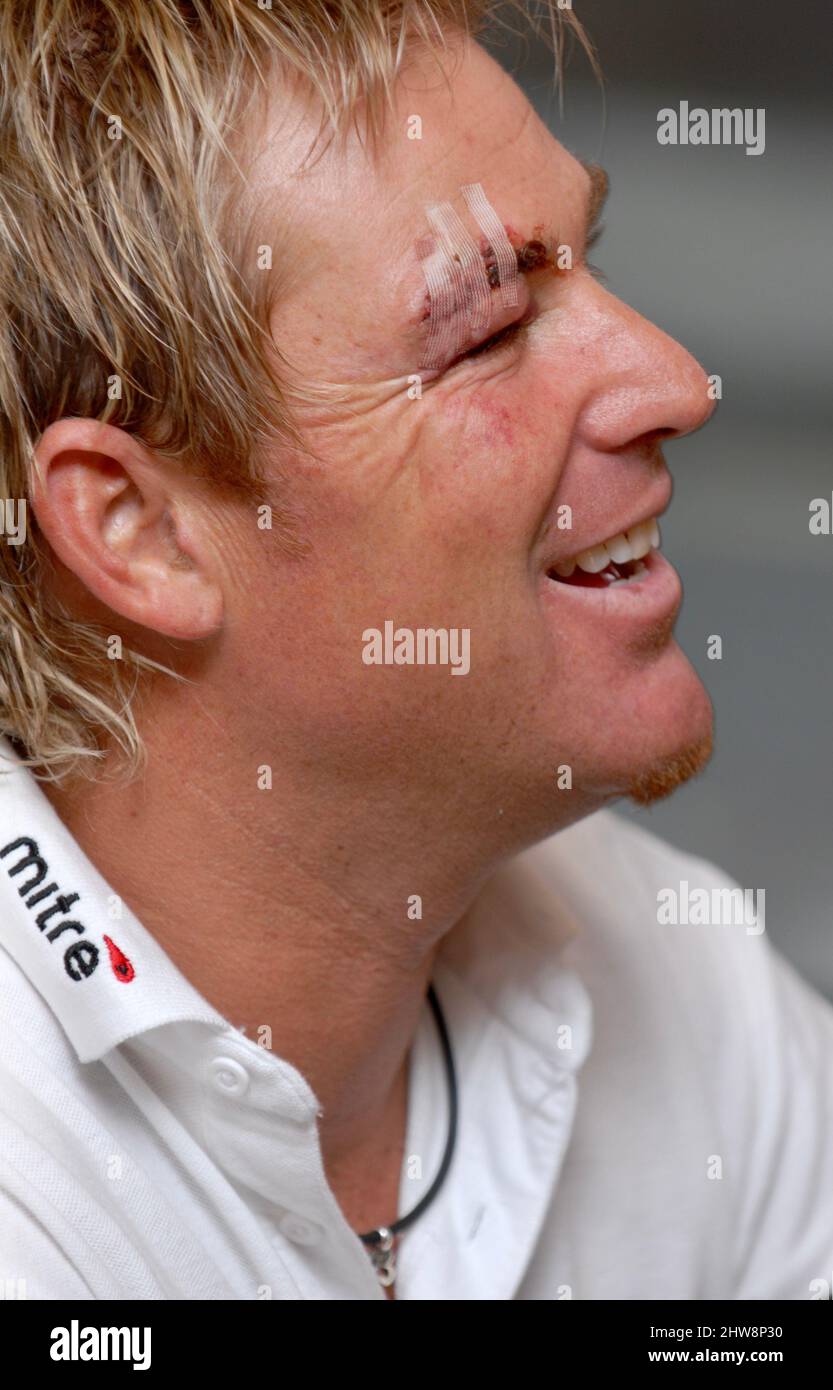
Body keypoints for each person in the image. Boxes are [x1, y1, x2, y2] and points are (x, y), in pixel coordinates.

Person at [0, 1, 831, 1302]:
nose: (674, 380)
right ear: (138, 530)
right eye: (488, 330)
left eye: (590, 262)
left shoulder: (663, 973)